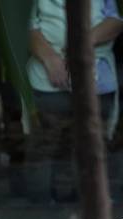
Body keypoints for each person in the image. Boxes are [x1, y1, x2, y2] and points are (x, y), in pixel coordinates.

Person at [24, 0, 123, 202]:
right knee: (44, 143)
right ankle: (38, 203)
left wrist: (81, 43)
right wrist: (50, 59)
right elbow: (24, 24)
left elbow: (116, 19)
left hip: (97, 76)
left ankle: (91, 202)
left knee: (94, 142)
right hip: (47, 76)